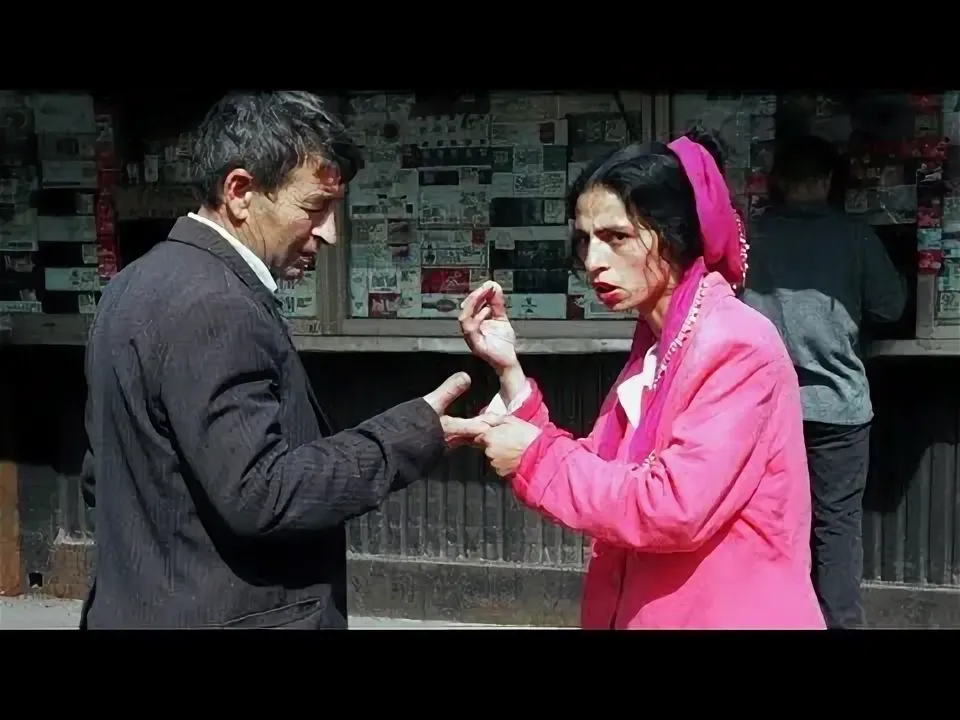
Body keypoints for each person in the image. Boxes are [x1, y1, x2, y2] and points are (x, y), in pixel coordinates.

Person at [79, 91, 488, 629]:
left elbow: (101, 477)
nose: (330, 233)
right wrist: (410, 435)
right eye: (315, 208)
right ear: (240, 192)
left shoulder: (132, 283)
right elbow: (261, 493)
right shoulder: (217, 305)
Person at [458, 129, 826, 630]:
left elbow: (672, 507)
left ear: (674, 235)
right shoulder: (659, 344)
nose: (593, 262)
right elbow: (602, 472)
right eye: (585, 240)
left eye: (617, 237)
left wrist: (534, 456)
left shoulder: (736, 344)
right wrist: (509, 371)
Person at [742, 134, 907, 629]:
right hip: (839, 410)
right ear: (829, 180)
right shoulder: (854, 237)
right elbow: (890, 306)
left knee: (770, 525)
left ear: (779, 182)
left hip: (766, 411)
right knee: (836, 531)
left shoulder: (753, 238)